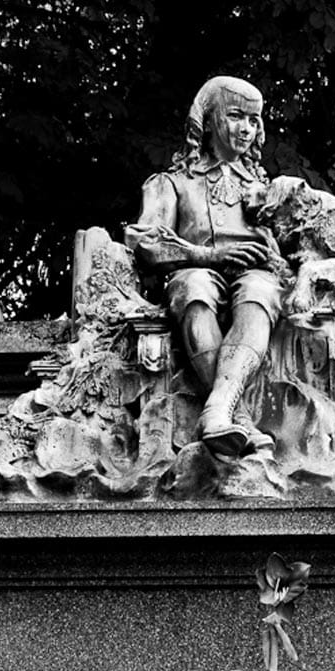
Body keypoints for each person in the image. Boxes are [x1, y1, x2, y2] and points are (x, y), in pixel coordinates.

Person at [125, 76, 282, 456]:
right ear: (209, 119)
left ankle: (216, 410)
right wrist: (207, 256)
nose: (246, 129)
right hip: (193, 272)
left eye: (254, 120)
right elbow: (145, 243)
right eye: (235, 116)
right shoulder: (173, 183)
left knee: (261, 291)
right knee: (194, 287)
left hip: (254, 276)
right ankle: (235, 415)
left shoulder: (266, 191)